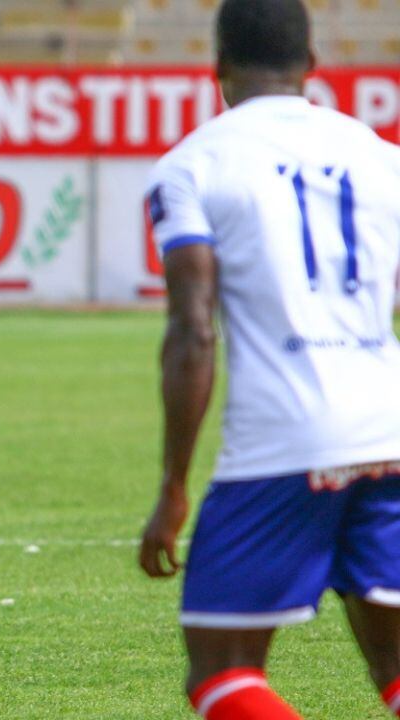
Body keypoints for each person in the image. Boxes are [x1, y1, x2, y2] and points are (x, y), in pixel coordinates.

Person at [137, 1, 400, 717]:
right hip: (389, 431)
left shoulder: (190, 167)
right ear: (311, 67)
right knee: (393, 661)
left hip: (284, 441)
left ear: (217, 65)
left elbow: (193, 331)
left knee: (220, 670)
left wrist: (172, 485)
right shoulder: (381, 157)